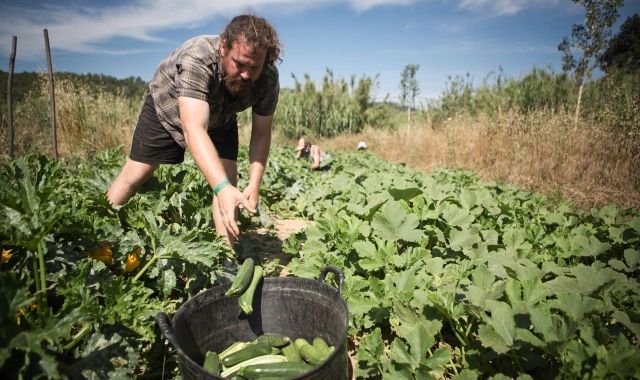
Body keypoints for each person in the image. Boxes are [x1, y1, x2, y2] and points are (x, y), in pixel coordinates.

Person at [107, 14, 281, 246]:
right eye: (239, 64)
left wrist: (254, 182)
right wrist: (220, 188)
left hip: (222, 114)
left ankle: (227, 253)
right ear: (223, 47)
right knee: (138, 172)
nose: (247, 74)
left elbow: (261, 132)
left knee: (228, 175)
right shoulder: (196, 59)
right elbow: (194, 129)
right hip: (169, 106)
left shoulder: (267, 77)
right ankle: (98, 230)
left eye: (254, 66)